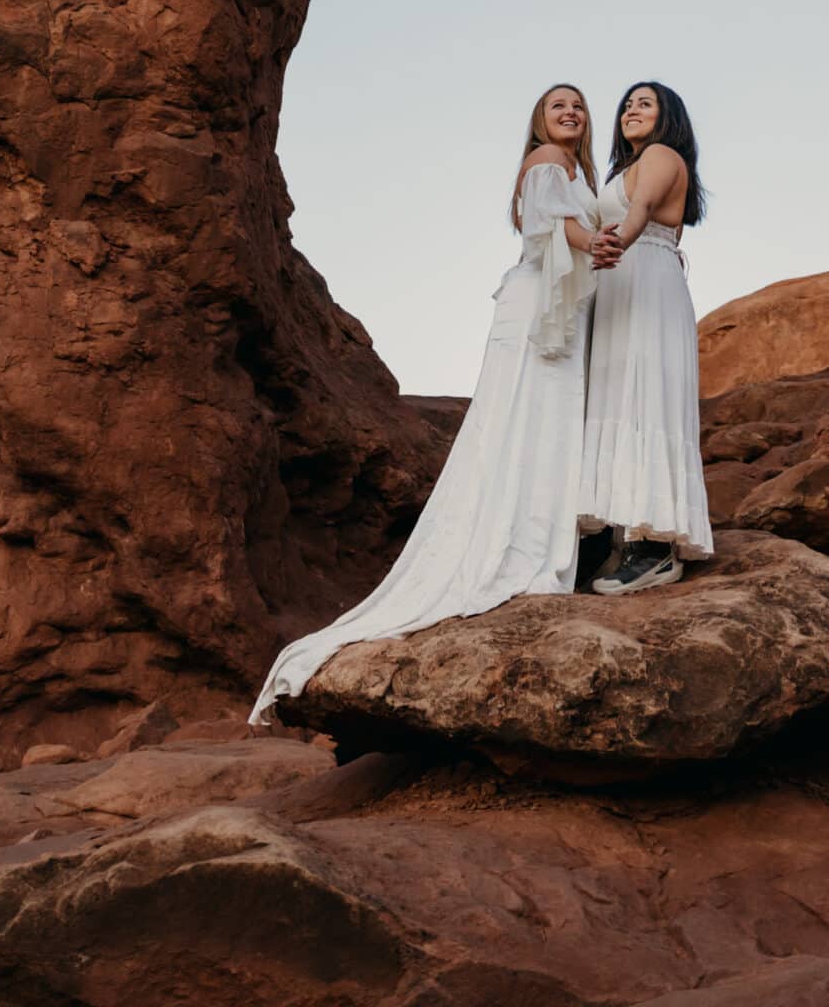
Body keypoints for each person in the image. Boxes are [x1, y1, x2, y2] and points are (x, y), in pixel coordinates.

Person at [248, 85, 601, 721]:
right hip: (534, 314)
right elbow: (554, 226)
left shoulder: (575, 168)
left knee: (541, 425)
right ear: (540, 121)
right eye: (558, 105)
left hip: (558, 312)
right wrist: (605, 243)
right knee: (520, 421)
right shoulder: (546, 158)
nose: (569, 113)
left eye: (577, 106)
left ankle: (533, 537)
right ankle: (514, 544)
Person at [578, 80, 713, 595]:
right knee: (617, 398)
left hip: (644, 277)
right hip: (621, 284)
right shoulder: (623, 168)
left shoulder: (661, 154)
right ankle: (624, 535)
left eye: (645, 103)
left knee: (645, 399)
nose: (631, 110)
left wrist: (613, 246)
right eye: (627, 104)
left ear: (667, 116)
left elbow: (639, 212)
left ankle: (655, 548)